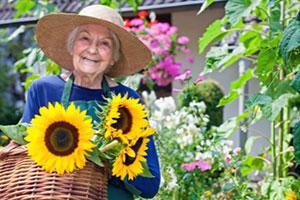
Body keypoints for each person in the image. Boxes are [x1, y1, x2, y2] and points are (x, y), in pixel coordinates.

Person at [21, 5, 160, 199]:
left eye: (105, 44)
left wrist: (108, 161)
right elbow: (22, 156)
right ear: (71, 46)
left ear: (113, 58)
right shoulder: (43, 90)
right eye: (84, 38)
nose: (93, 49)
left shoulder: (128, 102)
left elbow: (150, 184)